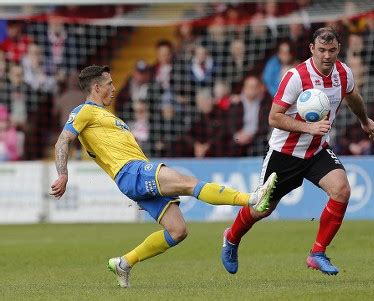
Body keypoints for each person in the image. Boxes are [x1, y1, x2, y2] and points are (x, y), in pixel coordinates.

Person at [49, 65, 278, 288]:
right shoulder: (83, 111)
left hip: (136, 175)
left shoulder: (106, 115)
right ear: (97, 87)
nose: (114, 87)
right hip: (131, 172)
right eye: (109, 84)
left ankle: (124, 263)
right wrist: (63, 175)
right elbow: (63, 140)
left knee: (178, 231)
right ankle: (252, 199)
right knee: (189, 184)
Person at [221, 27, 374, 276]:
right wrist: (309, 127)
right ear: (312, 49)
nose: (327, 56)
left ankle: (317, 253)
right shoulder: (295, 77)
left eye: (332, 50)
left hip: (316, 151)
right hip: (284, 154)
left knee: (342, 190)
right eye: (322, 50)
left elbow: (353, 97)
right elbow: (274, 117)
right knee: (262, 209)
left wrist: (364, 120)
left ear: (339, 49)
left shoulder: (343, 73)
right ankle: (231, 237)